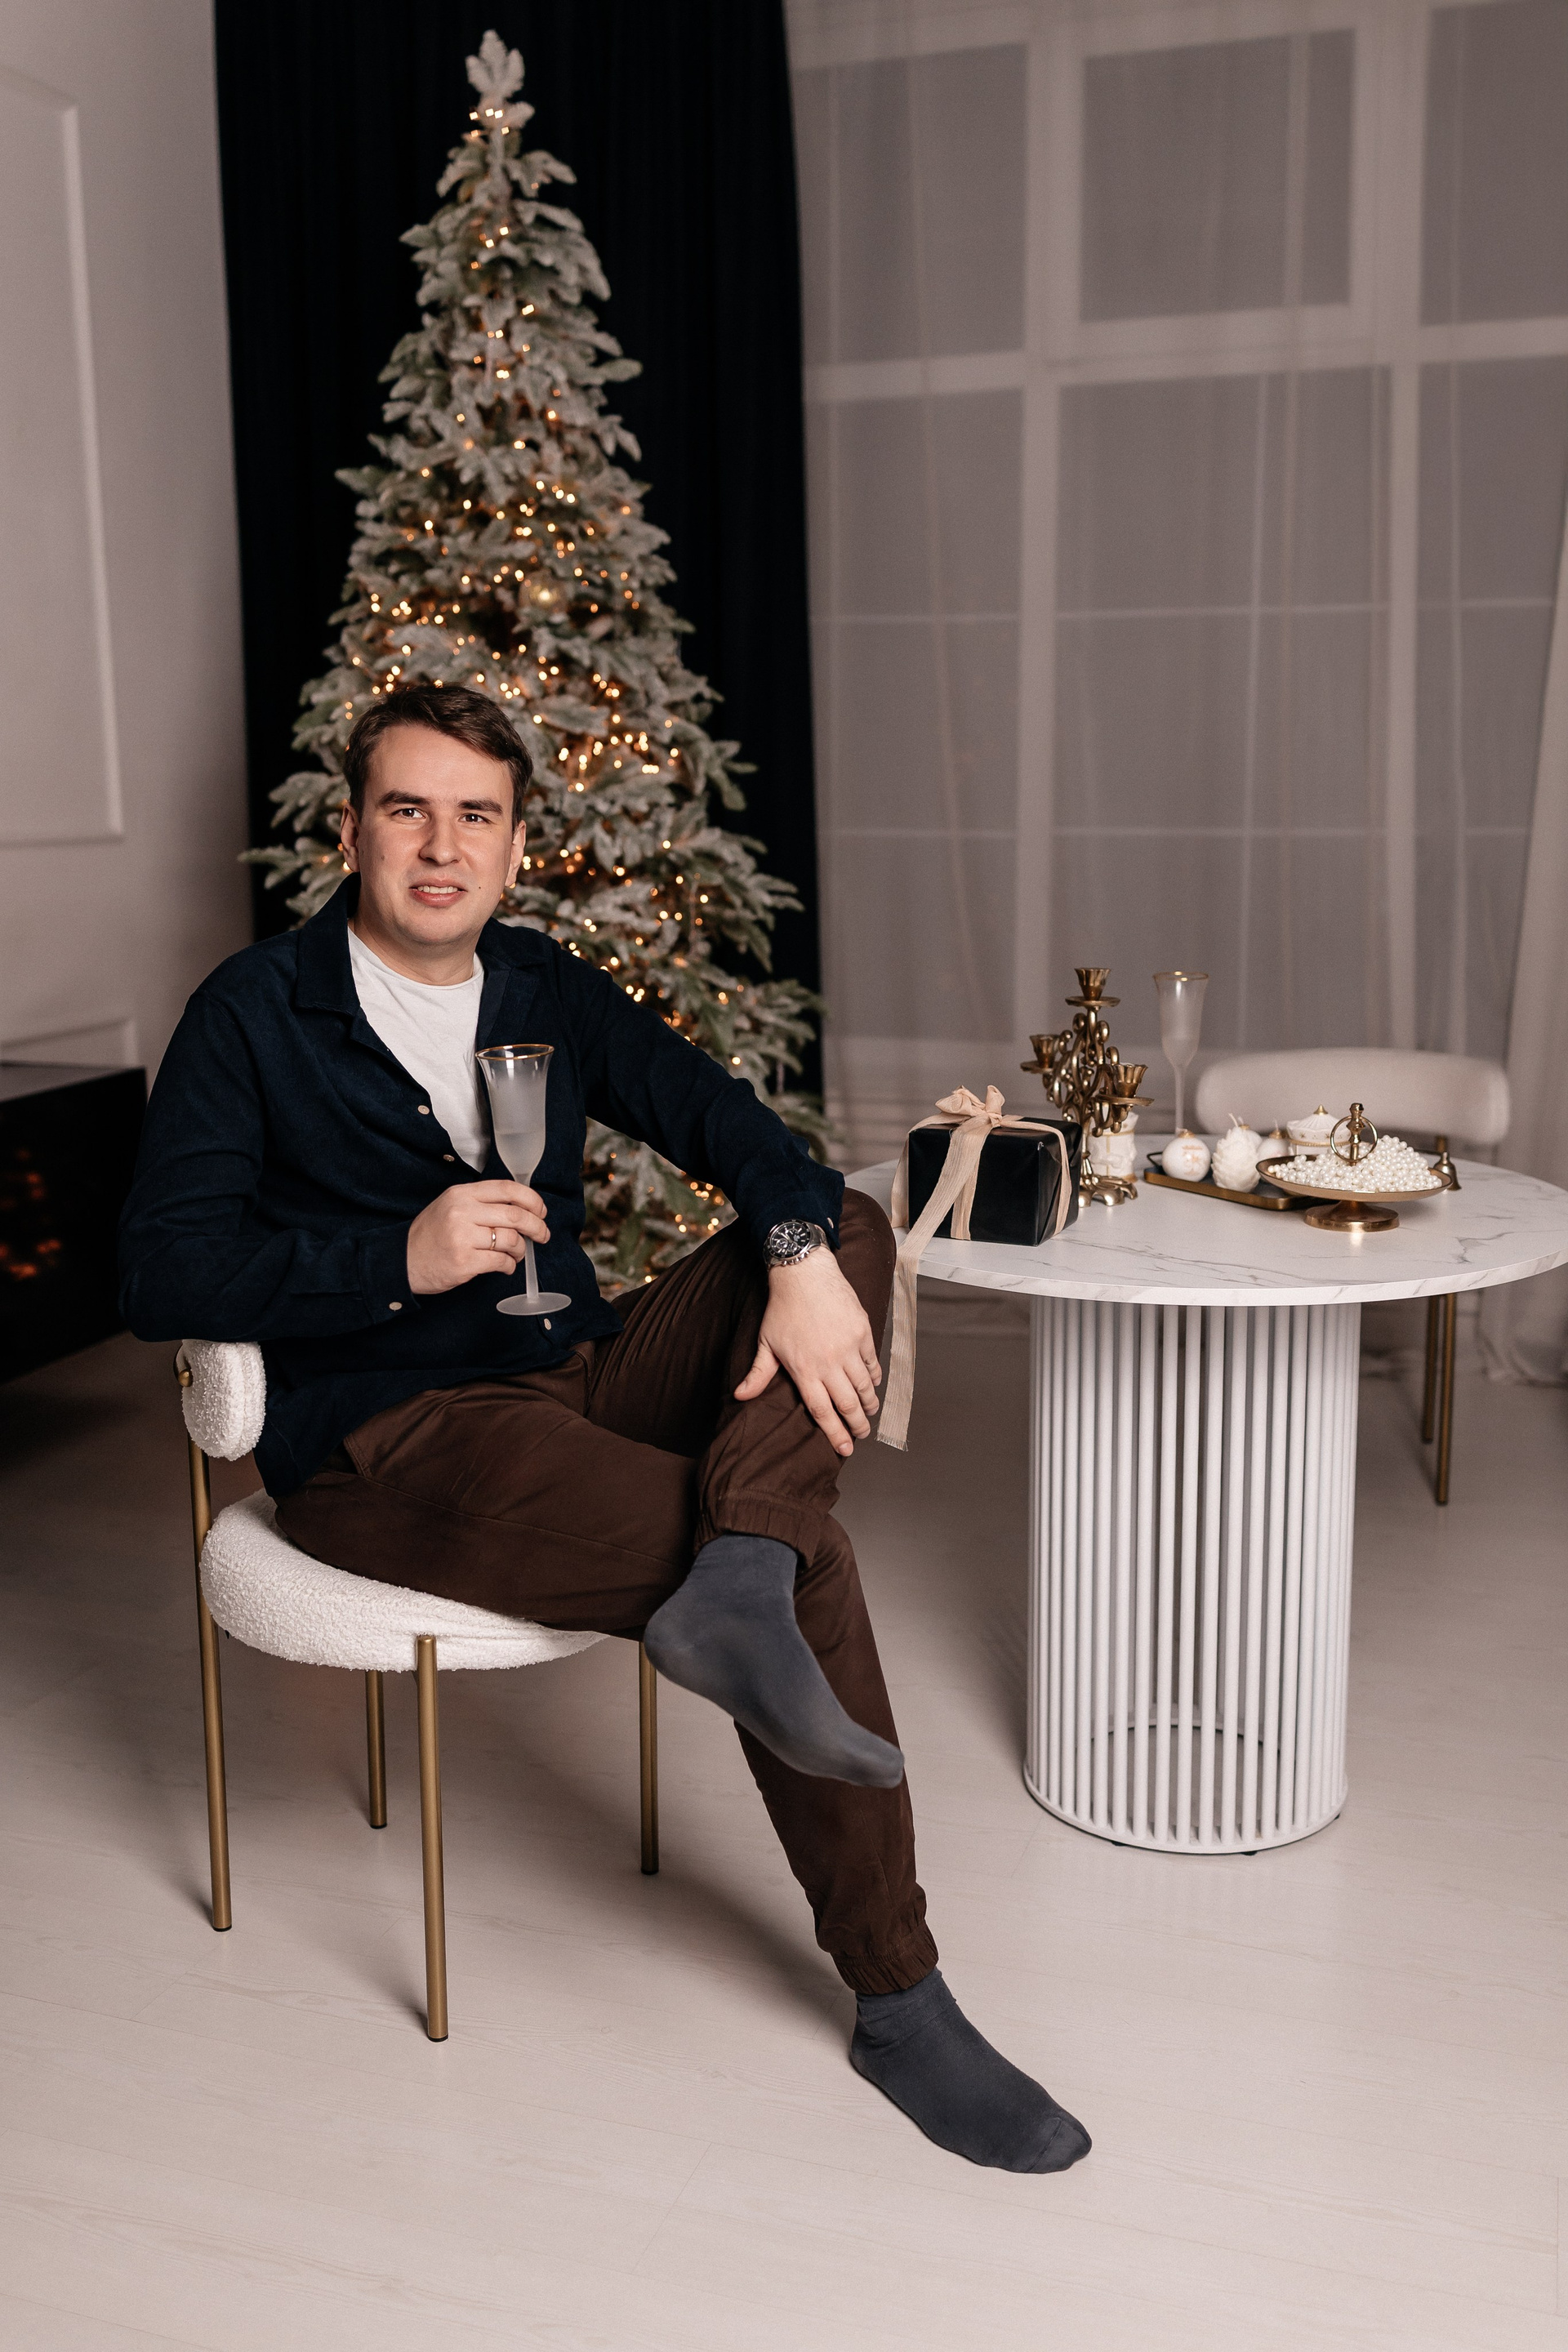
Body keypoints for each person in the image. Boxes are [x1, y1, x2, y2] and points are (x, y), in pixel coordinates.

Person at [120, 684, 1089, 2176]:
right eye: (407, 809)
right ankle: (902, 2005)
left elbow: (731, 1124)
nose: (442, 846)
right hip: (393, 1431)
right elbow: (159, 1272)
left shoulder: (541, 986)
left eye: (478, 817)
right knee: (811, 1563)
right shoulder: (252, 1012)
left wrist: (793, 1257)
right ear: (352, 830)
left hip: (576, 1365)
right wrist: (395, 1260)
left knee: (839, 1219)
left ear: (517, 847)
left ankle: (742, 1562)